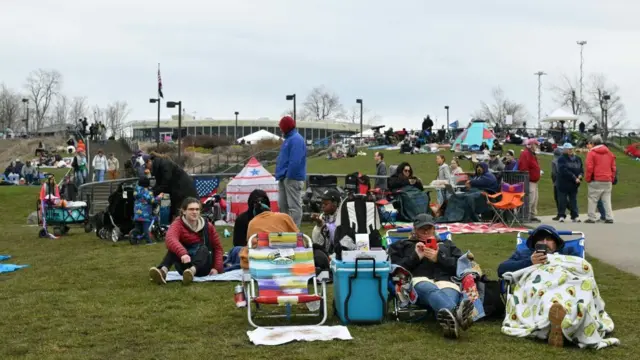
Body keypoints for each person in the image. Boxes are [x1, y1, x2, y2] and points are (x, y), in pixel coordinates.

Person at [388, 214, 474, 339]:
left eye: (429, 228)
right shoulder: (403, 245)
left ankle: (451, 322)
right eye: (422, 228)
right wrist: (415, 257)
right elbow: (395, 269)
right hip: (419, 281)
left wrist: (439, 258)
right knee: (429, 288)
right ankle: (457, 313)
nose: (426, 231)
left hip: (446, 281)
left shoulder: (446, 244)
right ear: (415, 230)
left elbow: (462, 266)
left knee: (447, 291)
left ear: (434, 229)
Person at [149, 197, 224, 285]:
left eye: (197, 209)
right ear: (184, 211)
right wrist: (183, 253)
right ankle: (162, 272)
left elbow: (218, 247)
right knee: (173, 248)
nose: (195, 212)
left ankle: (191, 273)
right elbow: (170, 239)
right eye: (191, 209)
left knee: (203, 248)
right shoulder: (178, 223)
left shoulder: (208, 226)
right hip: (184, 264)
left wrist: (216, 268)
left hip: (203, 266)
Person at [274, 116, 307, 227]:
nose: (280, 130)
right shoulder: (289, 139)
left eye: (281, 127)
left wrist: (289, 176)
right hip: (284, 178)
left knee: (294, 206)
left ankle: (294, 231)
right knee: (283, 205)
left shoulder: (296, 139)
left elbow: (295, 161)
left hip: (292, 178)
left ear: (285, 127)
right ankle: (285, 229)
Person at [148, 153, 199, 220]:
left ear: (149, 161)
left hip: (184, 192)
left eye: (146, 166)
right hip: (177, 193)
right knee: (176, 214)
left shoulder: (165, 165)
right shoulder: (160, 166)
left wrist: (152, 193)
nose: (147, 169)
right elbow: (160, 184)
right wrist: (152, 191)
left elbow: (165, 184)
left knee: (183, 216)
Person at [585, 135, 616, 224]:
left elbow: (589, 167)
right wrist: (612, 178)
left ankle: (591, 217)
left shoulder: (591, 152)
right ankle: (609, 217)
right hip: (607, 179)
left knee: (592, 199)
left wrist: (588, 178)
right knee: (607, 199)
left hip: (596, 179)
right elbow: (613, 167)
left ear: (593, 143)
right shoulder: (609, 153)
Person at [310, 188, 340, 271]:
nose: (322, 206)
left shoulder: (342, 216)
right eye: (322, 203)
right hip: (326, 251)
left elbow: (337, 237)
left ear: (335, 204)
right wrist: (319, 224)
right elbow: (316, 241)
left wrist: (323, 225)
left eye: (326, 204)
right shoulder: (322, 216)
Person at [556, 143, 583, 222]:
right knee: (562, 200)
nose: (570, 150)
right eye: (569, 149)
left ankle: (575, 216)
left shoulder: (578, 158)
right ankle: (561, 215)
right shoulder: (561, 159)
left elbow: (581, 169)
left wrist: (580, 175)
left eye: (571, 149)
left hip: (574, 184)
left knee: (573, 200)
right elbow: (563, 170)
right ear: (564, 150)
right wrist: (574, 177)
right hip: (563, 183)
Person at [518, 139, 541, 222]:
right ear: (531, 145)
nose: (537, 146)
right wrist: (528, 177)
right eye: (535, 145)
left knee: (535, 199)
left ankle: (532, 215)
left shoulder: (532, 154)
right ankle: (525, 216)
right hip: (529, 180)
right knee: (529, 199)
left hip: (534, 181)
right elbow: (523, 168)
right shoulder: (525, 154)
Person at [133, 177, 162, 244]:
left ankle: (135, 238)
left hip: (137, 212)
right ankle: (148, 241)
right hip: (145, 213)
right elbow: (152, 200)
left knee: (137, 228)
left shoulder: (136, 190)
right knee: (146, 228)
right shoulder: (148, 192)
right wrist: (159, 197)